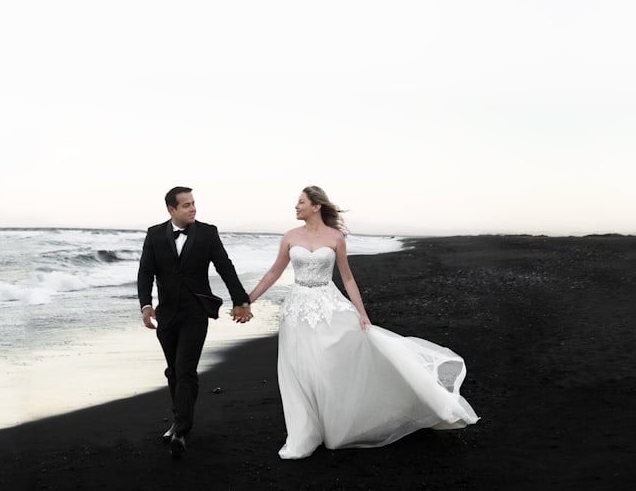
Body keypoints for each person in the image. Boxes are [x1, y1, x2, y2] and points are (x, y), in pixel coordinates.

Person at [247, 185, 479, 459]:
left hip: (328, 306)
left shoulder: (335, 238)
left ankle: (335, 423)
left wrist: (362, 312)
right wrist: (247, 299)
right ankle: (304, 433)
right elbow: (274, 272)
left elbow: (347, 278)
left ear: (316, 206)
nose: (295, 207)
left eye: (300, 202)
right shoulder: (289, 237)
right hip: (296, 310)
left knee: (327, 366)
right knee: (298, 369)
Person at [137, 186, 254, 458]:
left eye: (193, 203)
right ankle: (179, 419)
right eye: (186, 205)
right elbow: (145, 272)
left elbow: (225, 266)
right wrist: (145, 305)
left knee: (185, 368)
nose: (193, 209)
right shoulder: (154, 234)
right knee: (173, 371)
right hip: (167, 314)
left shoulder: (207, 232)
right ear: (171, 209)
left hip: (195, 313)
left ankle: (181, 430)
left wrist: (241, 300)